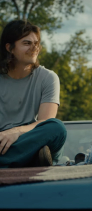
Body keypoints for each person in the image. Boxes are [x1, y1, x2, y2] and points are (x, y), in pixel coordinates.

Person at [0, 20, 67, 168]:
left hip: (32, 138)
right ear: (9, 48)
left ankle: (14, 160)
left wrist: (16, 132)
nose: (34, 48)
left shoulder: (48, 78)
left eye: (36, 43)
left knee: (56, 128)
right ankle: (26, 160)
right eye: (27, 43)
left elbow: (45, 122)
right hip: (2, 143)